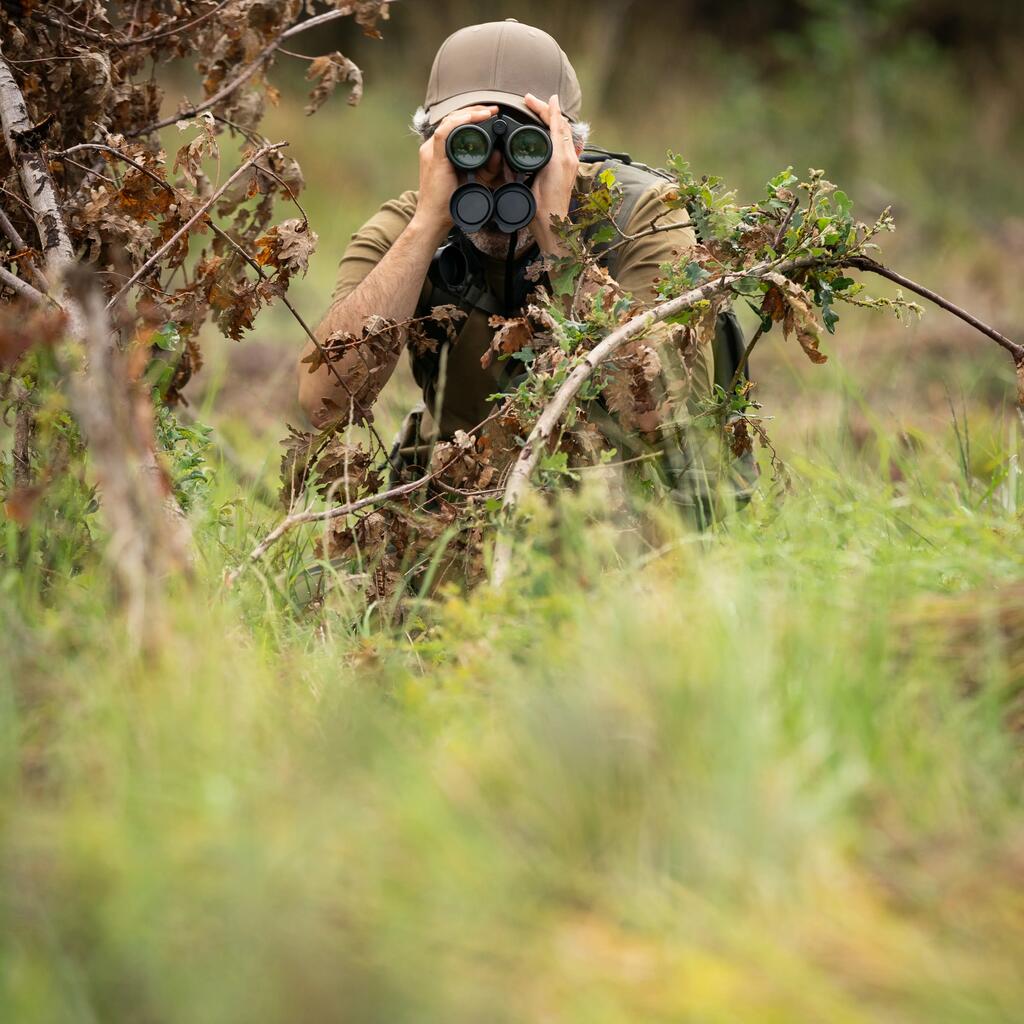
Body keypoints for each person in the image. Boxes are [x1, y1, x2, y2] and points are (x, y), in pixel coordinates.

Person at [298, 19, 750, 522]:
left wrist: (557, 234)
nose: (495, 173)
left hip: (625, 520)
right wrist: (428, 226)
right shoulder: (405, 229)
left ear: (571, 149)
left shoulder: (641, 216)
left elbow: (657, 417)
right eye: (466, 145)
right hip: (464, 518)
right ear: (428, 147)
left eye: (525, 148)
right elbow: (324, 403)